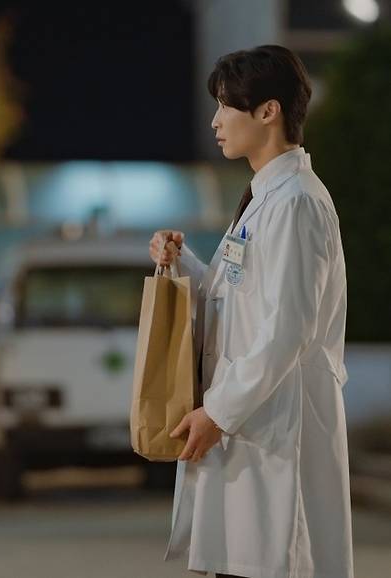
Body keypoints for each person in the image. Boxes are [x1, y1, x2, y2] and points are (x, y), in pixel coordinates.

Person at [150, 45, 353, 578]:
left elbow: (288, 328)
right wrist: (183, 263)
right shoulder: (266, 198)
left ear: (268, 111)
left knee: (275, 559)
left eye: (225, 106)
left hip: (277, 437)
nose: (215, 121)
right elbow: (238, 296)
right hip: (252, 435)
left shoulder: (296, 202)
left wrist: (219, 412)